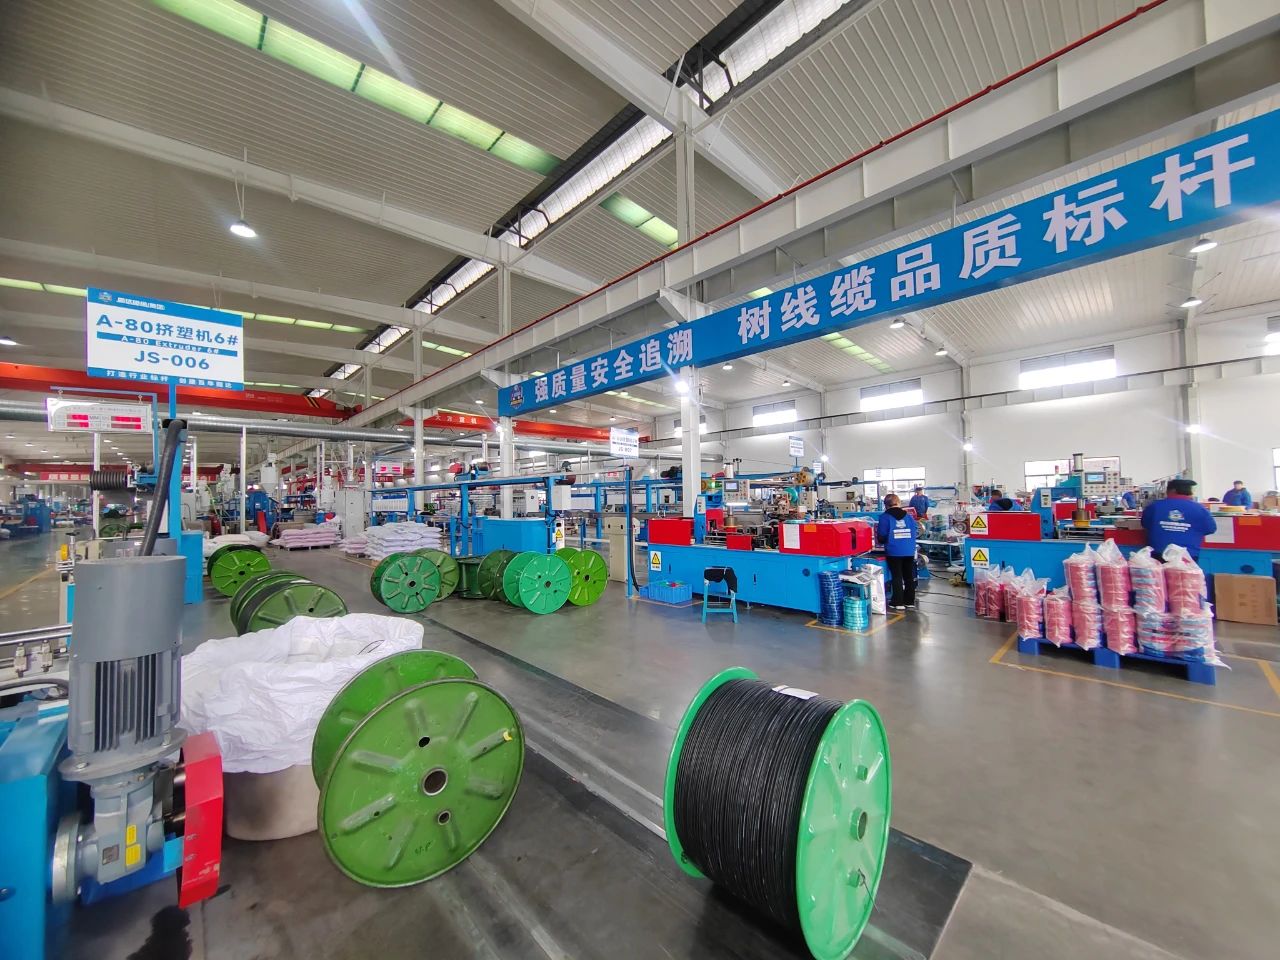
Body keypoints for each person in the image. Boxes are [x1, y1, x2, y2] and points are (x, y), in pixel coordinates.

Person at [1141, 478, 1217, 560]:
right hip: (1187, 555)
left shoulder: (1154, 507)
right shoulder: (1200, 509)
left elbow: (1145, 524)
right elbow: (1210, 529)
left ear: (1171, 491)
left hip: (1158, 553)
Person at [877, 494, 919, 610]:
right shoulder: (908, 517)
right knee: (909, 576)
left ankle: (897, 602)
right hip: (909, 550)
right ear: (898, 503)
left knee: (897, 576)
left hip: (894, 550)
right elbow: (915, 532)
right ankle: (909, 601)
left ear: (885, 505)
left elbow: (881, 535)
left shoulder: (885, 517)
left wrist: (884, 541)